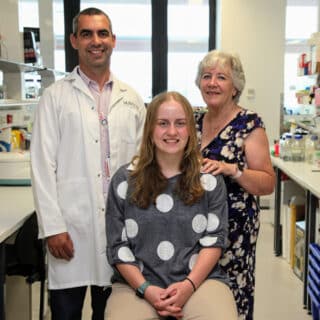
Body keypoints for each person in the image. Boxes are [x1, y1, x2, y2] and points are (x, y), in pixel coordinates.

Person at [30, 7, 146, 320]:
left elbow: (142, 168)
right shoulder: (55, 98)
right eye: (87, 34)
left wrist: (140, 227)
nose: (96, 41)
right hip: (70, 231)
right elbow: (42, 166)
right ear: (74, 41)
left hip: (121, 231)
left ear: (113, 40)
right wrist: (53, 227)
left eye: (102, 33)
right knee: (65, 314)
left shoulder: (132, 99)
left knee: (110, 313)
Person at [105, 91, 238, 320]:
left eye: (180, 123)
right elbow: (117, 247)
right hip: (136, 284)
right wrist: (146, 289)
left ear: (190, 130)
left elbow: (214, 240)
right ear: (149, 129)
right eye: (163, 123)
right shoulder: (124, 180)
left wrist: (188, 286)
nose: (172, 132)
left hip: (199, 280)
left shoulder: (209, 179)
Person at [194, 49, 275, 320]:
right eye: (207, 76)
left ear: (235, 86)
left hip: (234, 232)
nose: (212, 83)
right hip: (192, 229)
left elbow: (267, 182)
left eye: (221, 77)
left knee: (232, 300)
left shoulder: (249, 124)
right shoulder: (192, 121)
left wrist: (234, 170)